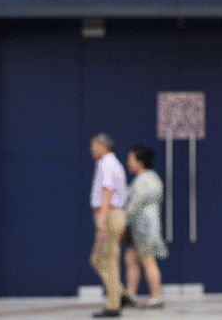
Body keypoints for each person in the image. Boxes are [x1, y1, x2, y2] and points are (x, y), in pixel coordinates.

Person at [122, 144, 169, 309]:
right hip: (141, 228)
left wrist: (121, 218)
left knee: (148, 260)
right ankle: (130, 295)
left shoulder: (144, 181)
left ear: (139, 162)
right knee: (131, 258)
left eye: (130, 159)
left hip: (144, 228)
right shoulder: (150, 179)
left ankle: (156, 296)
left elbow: (134, 204)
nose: (128, 163)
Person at [88, 132, 128, 318]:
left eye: (94, 145)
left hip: (110, 214)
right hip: (112, 214)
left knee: (107, 259)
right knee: (100, 259)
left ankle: (114, 304)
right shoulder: (108, 163)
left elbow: (107, 191)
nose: (92, 149)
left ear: (103, 146)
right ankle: (119, 292)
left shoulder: (108, 164)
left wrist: (102, 219)